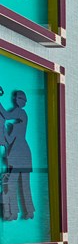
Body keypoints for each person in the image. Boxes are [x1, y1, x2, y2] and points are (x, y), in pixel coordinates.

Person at [0, 90, 34, 221]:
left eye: (20, 99)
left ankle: (17, 212)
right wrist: (3, 130)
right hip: (19, 154)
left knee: (16, 183)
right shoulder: (17, 124)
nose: (17, 100)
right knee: (21, 184)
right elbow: (9, 140)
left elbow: (6, 114)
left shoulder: (20, 112)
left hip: (20, 155)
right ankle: (26, 211)